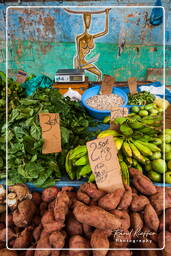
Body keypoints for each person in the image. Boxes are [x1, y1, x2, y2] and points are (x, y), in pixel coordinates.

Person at [65, 8, 110, 81]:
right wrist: (79, 64)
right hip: (78, 61)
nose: (88, 23)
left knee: (99, 74)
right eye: (87, 20)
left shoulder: (91, 37)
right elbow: (78, 49)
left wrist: (107, 14)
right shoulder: (79, 38)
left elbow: (105, 31)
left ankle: (97, 88)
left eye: (89, 20)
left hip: (84, 62)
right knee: (77, 78)